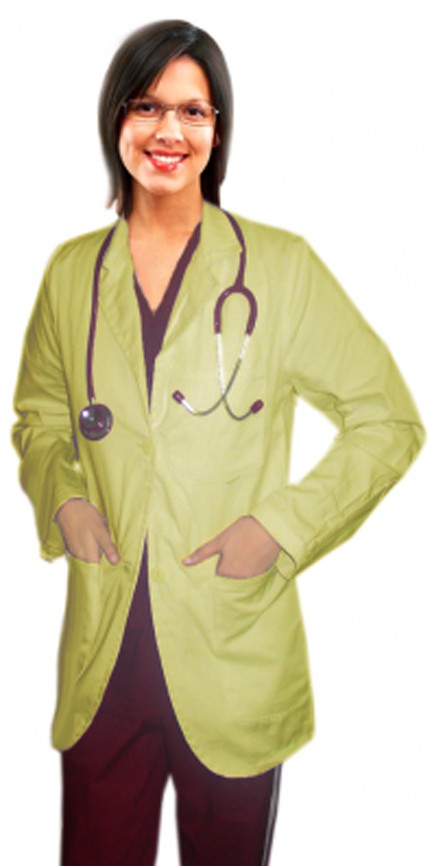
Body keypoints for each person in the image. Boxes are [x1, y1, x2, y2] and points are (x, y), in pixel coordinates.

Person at [12, 18, 424, 866]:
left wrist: (279, 528)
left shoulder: (280, 268)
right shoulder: (68, 274)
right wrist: (65, 498)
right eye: (145, 106)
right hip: (105, 663)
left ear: (217, 130)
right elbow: (40, 417)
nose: (168, 131)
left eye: (192, 111)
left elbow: (387, 420)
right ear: (114, 120)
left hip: (231, 650)